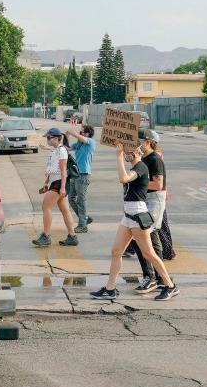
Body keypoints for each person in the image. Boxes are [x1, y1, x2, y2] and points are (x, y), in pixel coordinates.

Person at [89, 142, 179, 302]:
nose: (125, 154)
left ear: (137, 152)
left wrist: (118, 157)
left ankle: (170, 286)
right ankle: (110, 289)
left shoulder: (141, 167)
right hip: (129, 215)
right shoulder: (135, 167)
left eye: (128, 152)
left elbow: (123, 179)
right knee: (116, 251)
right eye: (125, 152)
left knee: (148, 253)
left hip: (138, 214)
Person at [134, 129, 169, 292]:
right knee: (151, 239)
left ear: (148, 142)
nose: (138, 144)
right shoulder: (144, 159)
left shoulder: (155, 159)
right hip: (145, 200)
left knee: (143, 237)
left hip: (154, 200)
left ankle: (152, 277)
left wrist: (136, 183)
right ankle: (159, 277)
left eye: (140, 141)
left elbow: (158, 184)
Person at [32, 128, 77, 248]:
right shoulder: (55, 150)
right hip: (55, 182)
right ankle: (72, 236)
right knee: (65, 210)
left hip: (59, 182)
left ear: (56, 139)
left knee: (46, 206)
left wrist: (62, 187)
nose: (47, 139)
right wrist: (46, 183)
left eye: (48, 138)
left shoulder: (61, 151)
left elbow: (63, 171)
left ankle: (46, 236)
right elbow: (52, 169)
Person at [64, 125, 97, 233]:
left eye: (82, 132)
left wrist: (73, 132)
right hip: (75, 174)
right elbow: (67, 148)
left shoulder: (91, 142)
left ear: (87, 134)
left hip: (84, 174)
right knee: (71, 198)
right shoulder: (79, 144)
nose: (80, 134)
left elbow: (82, 138)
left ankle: (82, 225)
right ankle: (85, 218)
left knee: (81, 200)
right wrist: (66, 137)